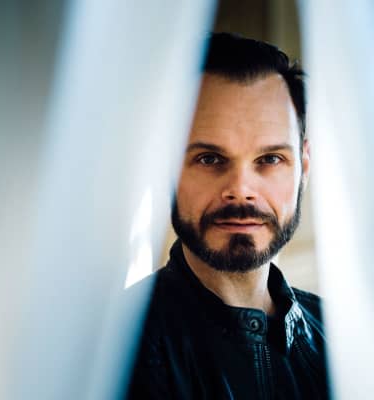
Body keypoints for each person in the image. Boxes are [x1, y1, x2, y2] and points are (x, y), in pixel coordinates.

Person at [126, 33, 330, 399]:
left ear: (304, 166)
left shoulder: (347, 343)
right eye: (209, 159)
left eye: (270, 159)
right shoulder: (112, 353)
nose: (240, 189)